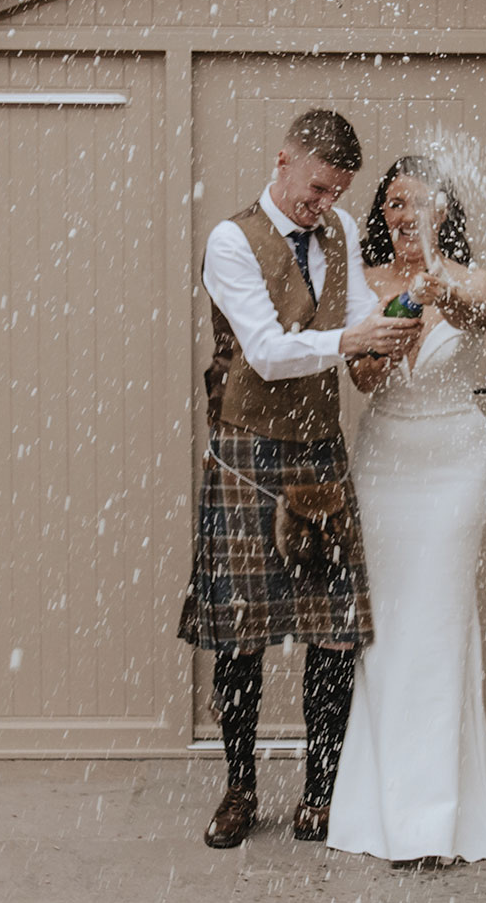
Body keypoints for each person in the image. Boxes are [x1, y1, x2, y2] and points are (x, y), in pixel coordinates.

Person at [327, 155, 486, 863]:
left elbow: (476, 313)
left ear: (443, 211)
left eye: (414, 203)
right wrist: (384, 337)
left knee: (438, 624)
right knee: (387, 631)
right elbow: (362, 377)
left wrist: (433, 276)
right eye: (390, 205)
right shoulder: (368, 284)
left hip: (451, 467)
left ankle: (436, 818)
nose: (399, 215)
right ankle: (384, 802)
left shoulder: (471, 279)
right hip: (384, 466)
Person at [178, 109, 424, 849]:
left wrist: (385, 336)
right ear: (283, 160)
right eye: (317, 188)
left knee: (333, 633)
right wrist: (352, 338)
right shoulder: (231, 239)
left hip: (318, 450)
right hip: (248, 452)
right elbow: (266, 350)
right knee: (241, 635)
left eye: (337, 192)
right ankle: (239, 789)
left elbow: (350, 328)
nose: (325, 205)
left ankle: (320, 792)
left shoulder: (341, 231)